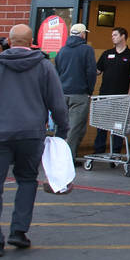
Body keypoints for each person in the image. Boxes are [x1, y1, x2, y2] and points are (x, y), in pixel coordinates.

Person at [0, 24, 69, 257]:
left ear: (9, 42)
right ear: (31, 41)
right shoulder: (44, 66)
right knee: (27, 181)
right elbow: (58, 104)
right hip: (31, 135)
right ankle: (19, 231)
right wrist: (62, 133)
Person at [93, 27, 130, 155]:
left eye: (115, 35)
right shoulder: (107, 54)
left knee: (118, 126)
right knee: (101, 124)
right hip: (105, 95)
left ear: (123, 36)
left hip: (121, 97)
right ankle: (99, 151)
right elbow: (97, 71)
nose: (112, 37)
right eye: (112, 35)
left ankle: (116, 152)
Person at [55, 23, 96, 160]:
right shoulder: (87, 50)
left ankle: (58, 155)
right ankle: (67, 159)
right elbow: (91, 72)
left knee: (62, 127)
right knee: (75, 128)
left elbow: (57, 71)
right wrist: (90, 90)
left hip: (62, 93)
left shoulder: (62, 50)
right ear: (82, 34)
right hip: (79, 94)